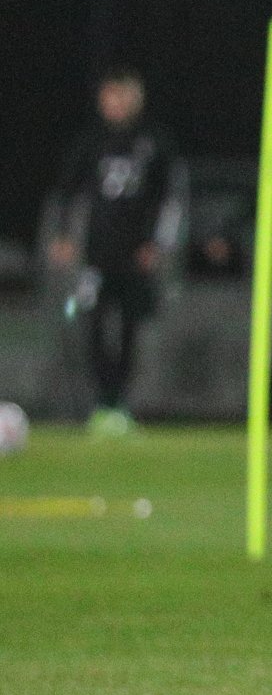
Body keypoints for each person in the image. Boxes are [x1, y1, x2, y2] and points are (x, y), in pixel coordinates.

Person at [48, 67, 176, 434]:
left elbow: (169, 198)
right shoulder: (91, 141)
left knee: (130, 328)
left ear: (136, 98)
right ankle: (102, 401)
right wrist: (63, 235)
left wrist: (155, 244)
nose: (115, 104)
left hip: (135, 254)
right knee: (92, 324)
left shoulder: (155, 141)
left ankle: (120, 402)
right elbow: (67, 191)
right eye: (109, 96)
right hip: (96, 254)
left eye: (122, 96)